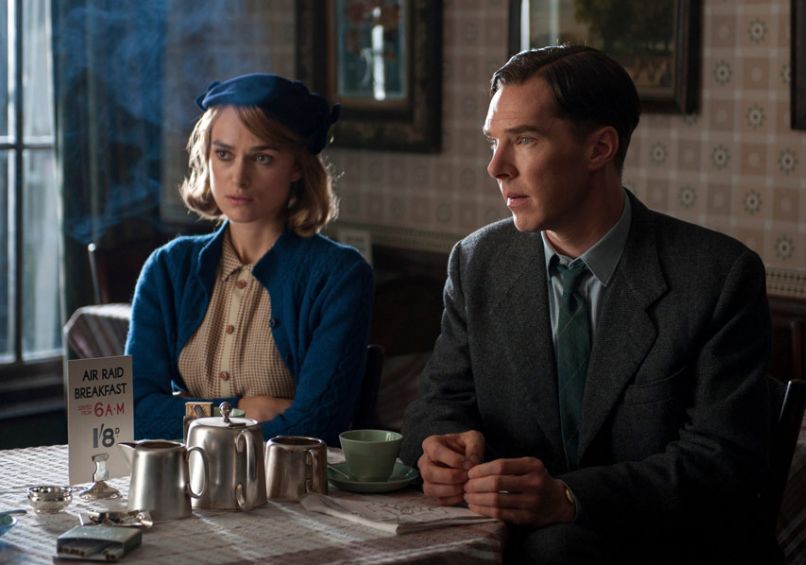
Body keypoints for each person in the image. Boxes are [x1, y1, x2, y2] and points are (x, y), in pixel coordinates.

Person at [400, 45, 772, 564]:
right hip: (499, 541)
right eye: (493, 141)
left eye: (524, 140)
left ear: (599, 148)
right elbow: (438, 404)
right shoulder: (477, 261)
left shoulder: (717, 276)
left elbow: (722, 462)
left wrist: (570, 497)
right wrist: (439, 447)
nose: (496, 167)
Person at [127, 73, 373, 445]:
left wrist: (184, 410)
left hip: (289, 479)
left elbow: (315, 425)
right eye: (224, 154)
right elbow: (133, 413)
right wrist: (240, 411)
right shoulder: (168, 268)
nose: (238, 178)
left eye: (262, 158)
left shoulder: (339, 275)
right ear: (206, 156)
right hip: (186, 476)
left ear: (296, 166)